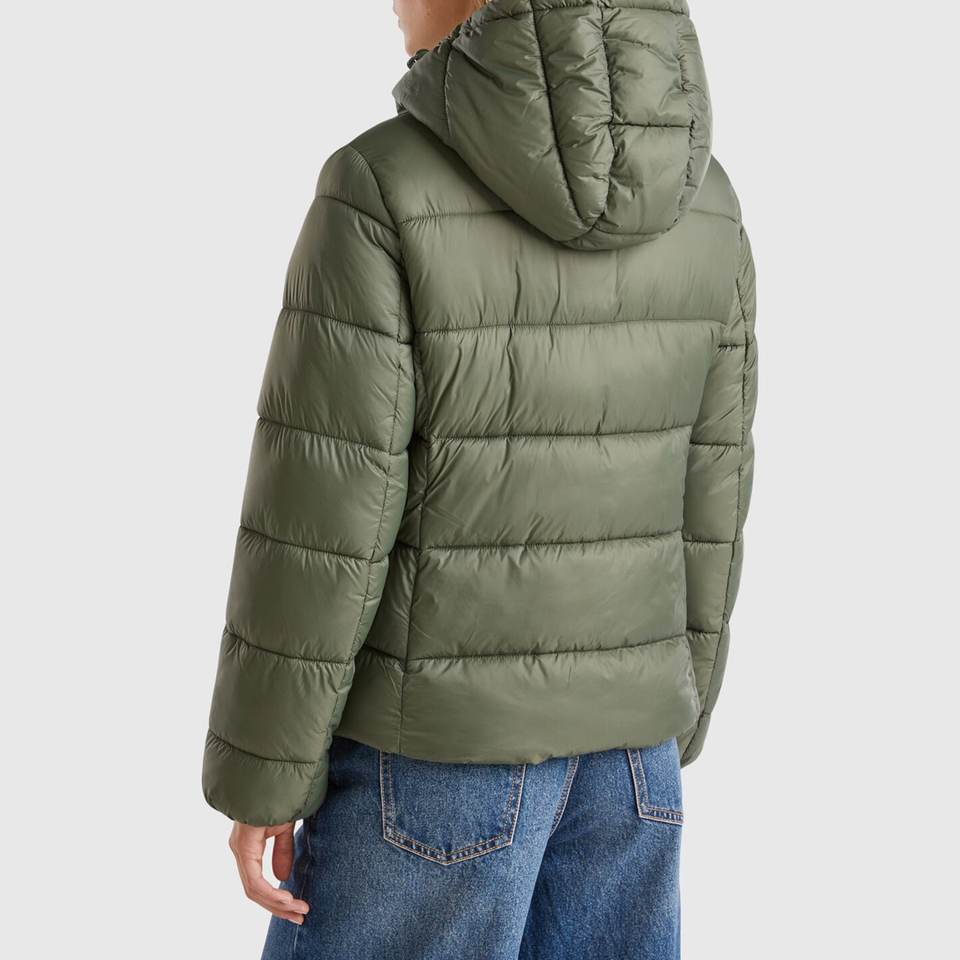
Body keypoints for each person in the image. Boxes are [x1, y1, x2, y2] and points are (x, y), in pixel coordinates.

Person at [202, 1, 757, 957]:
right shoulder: (703, 198)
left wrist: (265, 771)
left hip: (430, 762)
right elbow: (714, 491)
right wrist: (675, 713)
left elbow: (323, 516)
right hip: (634, 762)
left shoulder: (380, 184)